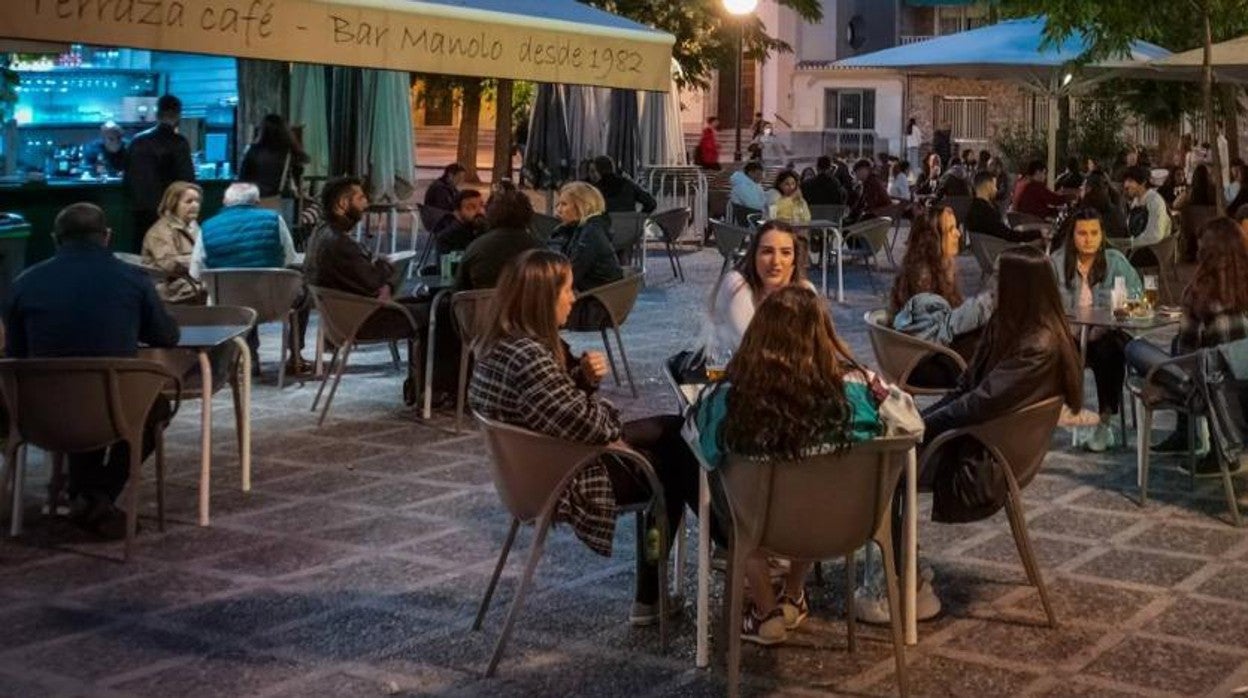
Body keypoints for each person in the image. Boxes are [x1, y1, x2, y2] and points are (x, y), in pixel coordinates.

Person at [468, 249, 699, 624]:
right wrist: (593, 399)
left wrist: (581, 381)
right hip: (562, 477)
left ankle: (663, 588)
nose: (574, 299)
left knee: (675, 432)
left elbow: (549, 409)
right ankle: (723, 545)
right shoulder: (529, 357)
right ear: (543, 298)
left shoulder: (498, 344)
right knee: (673, 465)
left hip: (533, 468)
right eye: (568, 290)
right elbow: (595, 426)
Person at [690, 285, 906, 645]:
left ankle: (764, 610)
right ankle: (793, 592)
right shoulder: (862, 397)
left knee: (723, 483)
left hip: (762, 529)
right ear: (824, 336)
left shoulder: (729, 402)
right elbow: (909, 425)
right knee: (820, 477)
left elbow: (703, 451)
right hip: (845, 525)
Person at [4, 203, 180, 538]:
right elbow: (165, 336)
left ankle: (84, 496)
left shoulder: (24, 283)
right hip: (114, 406)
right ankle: (100, 495)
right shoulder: (134, 280)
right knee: (153, 409)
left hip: (40, 415)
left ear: (56, 238)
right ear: (107, 237)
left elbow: (15, 354)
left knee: (74, 392)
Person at [1130, 217, 1248, 475]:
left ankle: (1188, 435)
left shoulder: (1199, 293)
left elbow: (1186, 352)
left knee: (1134, 348)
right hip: (1240, 389)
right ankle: (1186, 436)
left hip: (1205, 391)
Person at [1052, 208, 1142, 452]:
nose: (1088, 238)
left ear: (1102, 235)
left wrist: (1104, 325)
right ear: (1072, 236)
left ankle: (1105, 422)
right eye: (1082, 233)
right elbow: (1045, 304)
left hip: (1106, 335)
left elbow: (1136, 298)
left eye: (1094, 233)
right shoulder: (1057, 263)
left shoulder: (1116, 262)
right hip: (1069, 337)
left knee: (1109, 349)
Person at [888, 205, 993, 387]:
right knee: (991, 352)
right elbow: (935, 334)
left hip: (934, 354)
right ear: (933, 239)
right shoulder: (922, 276)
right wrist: (981, 307)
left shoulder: (938, 268)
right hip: (921, 364)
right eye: (950, 230)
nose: (958, 234)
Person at [708, 220, 813, 355]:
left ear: (794, 259)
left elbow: (816, 347)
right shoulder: (736, 285)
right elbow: (756, 353)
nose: (776, 261)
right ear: (754, 255)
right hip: (729, 371)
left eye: (786, 253)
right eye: (767, 252)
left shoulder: (804, 290)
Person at [124, 94, 195, 253]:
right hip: (168, 210)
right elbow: (187, 180)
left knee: (141, 252)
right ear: (178, 115)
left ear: (157, 114)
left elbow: (127, 176)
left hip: (140, 208)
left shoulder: (137, 140)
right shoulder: (179, 143)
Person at [456, 188, 542, 291]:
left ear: (491, 214)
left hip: (485, 306)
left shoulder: (476, 248)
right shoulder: (539, 249)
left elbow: (459, 290)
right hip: (530, 306)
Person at [550, 181, 623, 293]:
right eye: (558, 204)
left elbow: (571, 275)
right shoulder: (579, 229)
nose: (558, 210)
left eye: (564, 204)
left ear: (581, 207)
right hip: (590, 293)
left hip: (598, 299)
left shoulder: (590, 233)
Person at [141, 181, 204, 305]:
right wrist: (199, 260)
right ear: (173, 204)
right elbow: (169, 264)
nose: (195, 205)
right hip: (171, 287)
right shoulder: (161, 231)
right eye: (189, 201)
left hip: (191, 281)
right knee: (216, 289)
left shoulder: (194, 226)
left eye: (197, 201)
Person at [239, 113, 308, 200]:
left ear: (262, 130)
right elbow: (298, 176)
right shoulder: (289, 152)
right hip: (280, 199)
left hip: (254, 198)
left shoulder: (253, 150)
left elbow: (243, 177)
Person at [966, 171, 1039, 243]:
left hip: (989, 247)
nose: (996, 189)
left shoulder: (974, 207)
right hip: (999, 248)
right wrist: (1037, 233)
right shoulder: (985, 212)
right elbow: (1009, 235)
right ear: (988, 186)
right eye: (994, 185)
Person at [1123, 165, 1173, 250]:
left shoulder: (1155, 201)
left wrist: (1129, 244)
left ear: (1143, 182)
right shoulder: (1136, 201)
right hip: (1138, 248)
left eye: (1130, 181)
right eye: (1125, 181)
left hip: (1154, 251)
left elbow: (1154, 236)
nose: (1126, 185)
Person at [588, 155, 657, 214]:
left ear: (599, 171)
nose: (590, 175)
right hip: (627, 227)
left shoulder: (593, 191)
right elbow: (651, 203)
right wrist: (638, 217)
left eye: (593, 171)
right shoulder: (628, 184)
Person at [431, 189, 486, 255]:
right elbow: (447, 264)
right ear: (457, 213)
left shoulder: (485, 231)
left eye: (481, 205)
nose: (480, 211)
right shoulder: (447, 238)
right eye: (470, 207)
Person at [848, 158, 892, 223]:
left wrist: (854, 216)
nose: (856, 175)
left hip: (878, 215)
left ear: (865, 169)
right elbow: (861, 204)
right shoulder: (868, 181)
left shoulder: (872, 182)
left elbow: (869, 204)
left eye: (857, 171)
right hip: (878, 215)